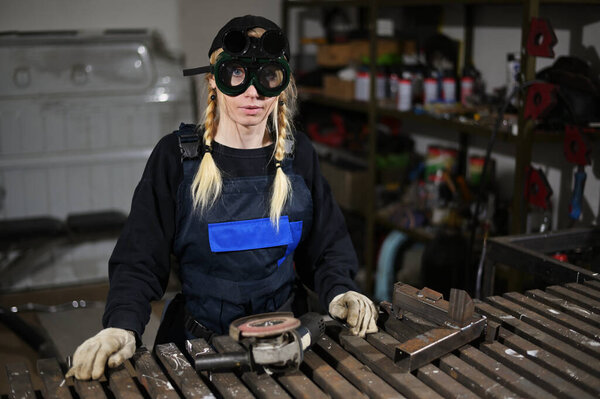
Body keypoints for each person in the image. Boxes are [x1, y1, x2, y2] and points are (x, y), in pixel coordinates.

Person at [66, 15, 378, 381]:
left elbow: (327, 247)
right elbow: (139, 260)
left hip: (285, 344)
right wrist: (121, 325)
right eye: (236, 74)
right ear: (213, 79)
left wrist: (341, 290)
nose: (253, 92)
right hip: (198, 349)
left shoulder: (298, 156)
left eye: (268, 77)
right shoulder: (176, 158)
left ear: (283, 85)